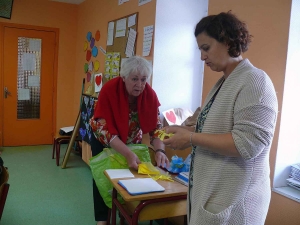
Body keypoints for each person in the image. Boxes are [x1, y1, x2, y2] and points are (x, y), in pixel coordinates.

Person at [163, 11, 278, 225]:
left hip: (235, 206)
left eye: (206, 48)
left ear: (226, 40)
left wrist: (189, 139)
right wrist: (183, 132)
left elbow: (246, 145)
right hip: (213, 195)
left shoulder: (255, 82)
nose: (202, 57)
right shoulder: (223, 83)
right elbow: (212, 130)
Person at [89, 55, 170, 225]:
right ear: (124, 77)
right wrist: (127, 153)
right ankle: (102, 219)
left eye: (143, 79)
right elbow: (105, 130)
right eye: (134, 79)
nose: (139, 84)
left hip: (131, 138)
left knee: (129, 175)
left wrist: (160, 150)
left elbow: (157, 129)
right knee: (103, 176)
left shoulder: (149, 94)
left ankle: (125, 211)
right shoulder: (109, 90)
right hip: (104, 137)